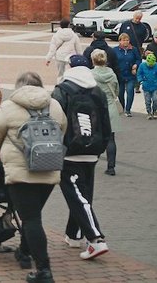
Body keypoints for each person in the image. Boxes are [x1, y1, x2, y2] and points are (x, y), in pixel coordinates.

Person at [0, 71, 67, 283]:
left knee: (31, 218)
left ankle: (44, 270)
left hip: (20, 171)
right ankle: (24, 252)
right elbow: (63, 129)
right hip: (49, 167)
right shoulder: (55, 105)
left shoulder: (10, 106)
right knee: (33, 215)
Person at [51, 57, 112, 260]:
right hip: (93, 150)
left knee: (77, 196)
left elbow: (54, 120)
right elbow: (105, 121)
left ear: (70, 68)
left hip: (70, 151)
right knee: (83, 195)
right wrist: (102, 145)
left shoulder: (62, 90)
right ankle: (74, 235)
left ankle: (96, 239)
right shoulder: (97, 91)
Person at [91, 49, 121, 175]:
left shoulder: (90, 74)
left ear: (93, 60)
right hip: (110, 107)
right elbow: (117, 90)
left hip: (96, 108)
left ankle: (91, 163)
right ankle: (111, 167)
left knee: (94, 138)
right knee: (111, 139)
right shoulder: (112, 74)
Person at [112, 33, 141, 117]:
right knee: (120, 93)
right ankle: (122, 107)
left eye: (127, 40)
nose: (126, 42)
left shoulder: (134, 49)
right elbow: (113, 61)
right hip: (120, 75)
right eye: (124, 40)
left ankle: (128, 110)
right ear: (120, 41)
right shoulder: (115, 50)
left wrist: (136, 65)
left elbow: (138, 59)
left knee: (130, 91)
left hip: (130, 75)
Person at [137, 52, 157, 119]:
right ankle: (149, 112)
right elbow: (139, 74)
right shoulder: (142, 65)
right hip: (146, 86)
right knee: (147, 100)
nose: (151, 66)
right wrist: (141, 81)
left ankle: (154, 111)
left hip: (155, 86)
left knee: (155, 99)